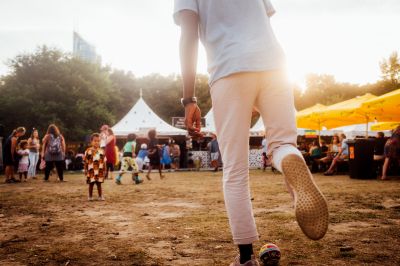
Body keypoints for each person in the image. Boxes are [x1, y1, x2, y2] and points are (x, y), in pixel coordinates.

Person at [174, 1, 329, 264]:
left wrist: (188, 98)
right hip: (275, 66)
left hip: (229, 68)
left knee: (235, 169)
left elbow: (188, 35)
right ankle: (288, 160)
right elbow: (264, 23)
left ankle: (245, 257)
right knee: (282, 144)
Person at [84, 133, 106, 201]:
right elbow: (86, 161)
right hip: (91, 171)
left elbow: (104, 161)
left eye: (98, 141)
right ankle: (90, 196)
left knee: (99, 184)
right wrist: (85, 169)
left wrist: (105, 170)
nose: (97, 142)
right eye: (95, 141)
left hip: (99, 171)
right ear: (91, 141)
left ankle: (100, 196)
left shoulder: (102, 151)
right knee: (91, 184)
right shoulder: (88, 151)